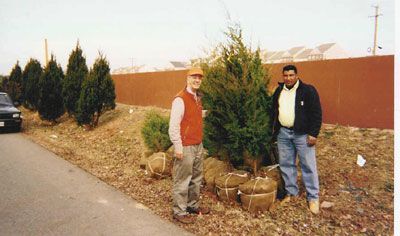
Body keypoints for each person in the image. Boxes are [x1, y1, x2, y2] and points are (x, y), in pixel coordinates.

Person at [271, 64, 322, 214]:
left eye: (291, 75)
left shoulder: (308, 91)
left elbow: (316, 113)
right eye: (285, 75)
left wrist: (314, 133)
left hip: (303, 134)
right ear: (283, 77)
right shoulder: (279, 91)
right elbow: (274, 111)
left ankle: (313, 197)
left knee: (308, 166)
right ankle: (291, 193)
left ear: (296, 76)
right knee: (286, 164)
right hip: (284, 134)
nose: (288, 78)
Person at [168, 67, 210, 224]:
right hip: (185, 146)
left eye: (199, 78)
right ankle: (179, 211)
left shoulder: (197, 98)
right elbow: (173, 126)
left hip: (198, 144)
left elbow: (193, 117)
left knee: (196, 178)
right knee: (182, 179)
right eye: (194, 77)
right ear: (187, 79)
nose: (197, 80)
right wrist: (178, 146)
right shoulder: (180, 99)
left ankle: (192, 205)